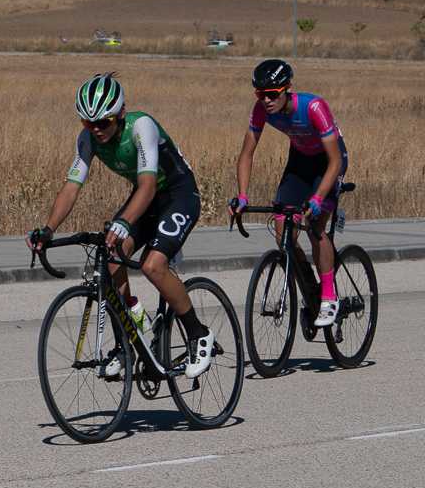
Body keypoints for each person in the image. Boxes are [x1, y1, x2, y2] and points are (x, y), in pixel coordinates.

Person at [28, 74, 214, 378]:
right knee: (111, 254)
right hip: (146, 198)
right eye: (89, 124)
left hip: (178, 195)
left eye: (104, 122)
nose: (97, 130)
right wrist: (48, 229)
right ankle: (131, 333)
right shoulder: (87, 139)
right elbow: (72, 187)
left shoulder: (141, 127)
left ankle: (198, 334)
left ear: (121, 113)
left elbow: (148, 185)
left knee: (152, 266)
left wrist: (125, 222)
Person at [232, 59, 348, 328]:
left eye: (272, 94)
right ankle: (308, 284)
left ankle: (329, 295)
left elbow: (335, 162)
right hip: (300, 160)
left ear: (287, 90)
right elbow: (246, 154)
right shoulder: (261, 111)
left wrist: (318, 198)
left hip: (330, 161)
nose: (267, 101)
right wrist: (243, 195)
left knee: (316, 226)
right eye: (261, 95)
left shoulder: (314, 107)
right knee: (283, 225)